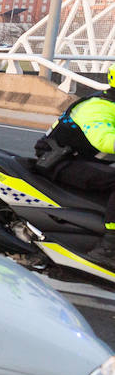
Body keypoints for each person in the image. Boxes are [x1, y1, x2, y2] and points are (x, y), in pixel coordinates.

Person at [34, 66, 115, 266]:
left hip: (83, 161)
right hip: (60, 161)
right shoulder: (98, 106)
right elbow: (105, 140)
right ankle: (108, 248)